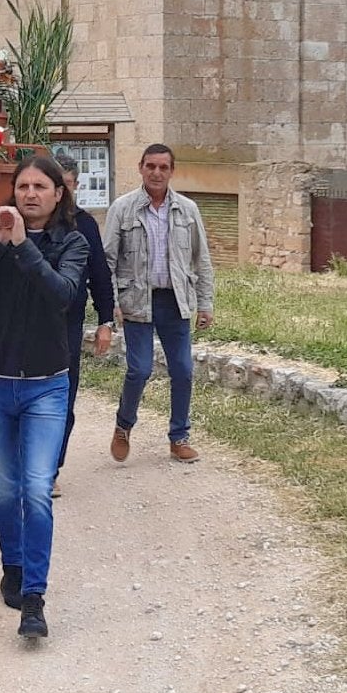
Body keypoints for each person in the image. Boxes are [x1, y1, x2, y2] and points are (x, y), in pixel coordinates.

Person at [0, 155, 88, 640]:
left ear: (58, 194)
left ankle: (34, 597)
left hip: (46, 385)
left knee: (36, 488)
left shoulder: (72, 241)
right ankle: (11, 564)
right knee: (6, 487)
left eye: (40, 186)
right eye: (22, 185)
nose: (30, 194)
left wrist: (23, 246)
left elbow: (64, 295)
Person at [102, 144, 216, 464]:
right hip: (137, 299)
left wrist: (205, 303)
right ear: (140, 168)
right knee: (139, 369)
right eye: (150, 166)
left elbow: (201, 260)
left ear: (171, 171)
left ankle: (179, 437)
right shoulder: (123, 208)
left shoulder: (187, 210)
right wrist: (111, 302)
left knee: (182, 369)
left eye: (163, 167)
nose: (156, 173)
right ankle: (123, 426)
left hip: (175, 300)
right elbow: (107, 260)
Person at [51, 154, 114, 497]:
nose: (62, 193)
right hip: (28, 322)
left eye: (68, 185)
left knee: (64, 395)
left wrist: (105, 320)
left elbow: (100, 277)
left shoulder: (85, 224)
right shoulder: (32, 223)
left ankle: (51, 468)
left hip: (69, 324)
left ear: (74, 185)